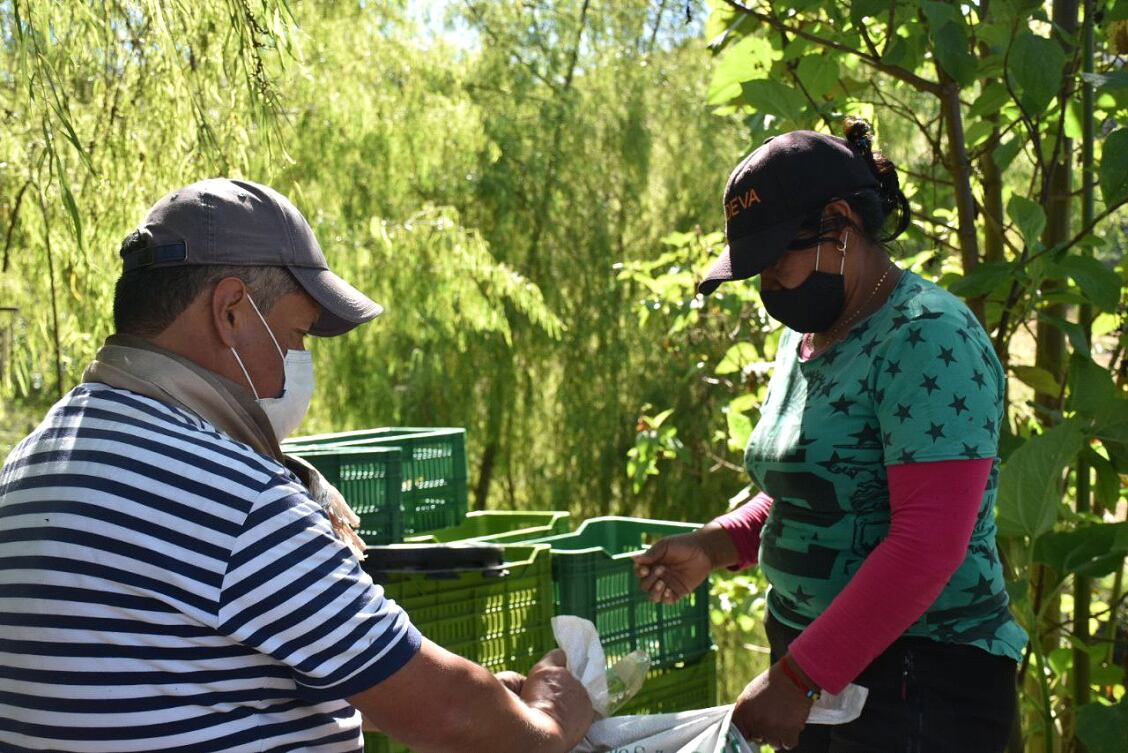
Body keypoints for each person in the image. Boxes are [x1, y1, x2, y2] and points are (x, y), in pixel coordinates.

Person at [0, 179, 593, 753]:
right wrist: (546, 723)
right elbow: (446, 715)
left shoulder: (34, 460)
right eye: (296, 333)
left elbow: (165, 683)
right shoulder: (232, 494)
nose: (300, 361)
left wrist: (461, 699)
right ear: (231, 311)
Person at [633, 120, 1027, 752]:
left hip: (919, 684)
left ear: (840, 225)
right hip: (827, 671)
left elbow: (927, 544)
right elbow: (823, 488)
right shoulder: (808, 338)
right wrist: (716, 544)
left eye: (773, 263)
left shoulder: (927, 338)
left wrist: (798, 679)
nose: (765, 289)